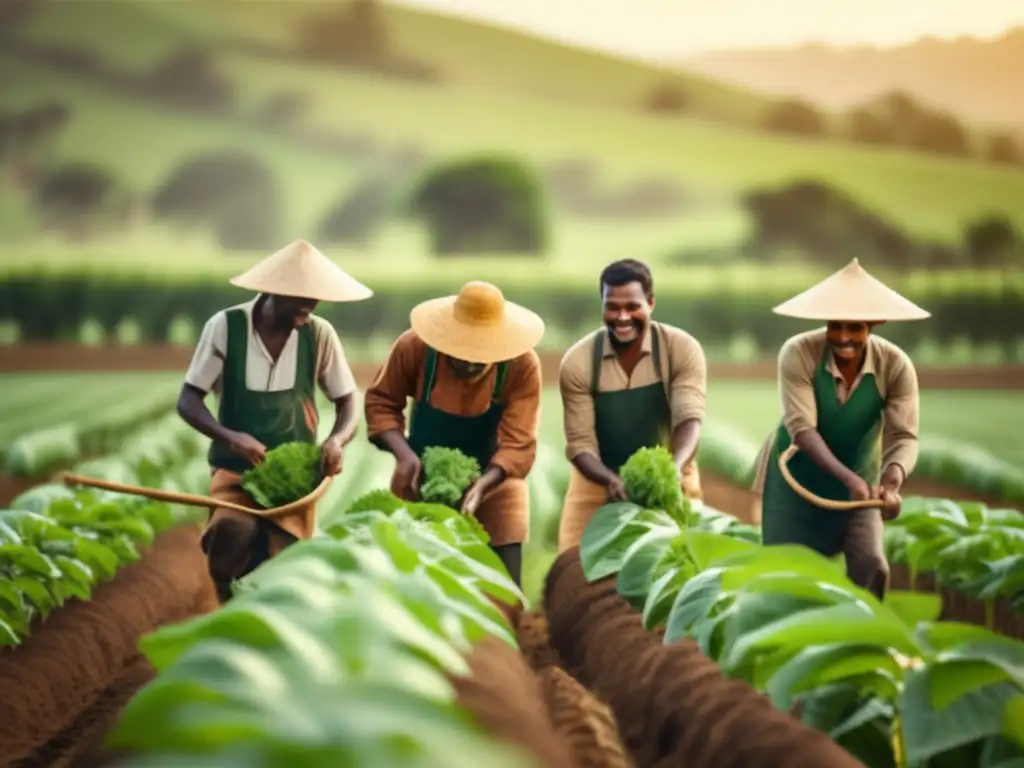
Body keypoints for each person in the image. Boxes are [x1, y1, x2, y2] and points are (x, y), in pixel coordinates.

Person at [177, 239, 372, 603]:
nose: (310, 307)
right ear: (273, 292)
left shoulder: (319, 334)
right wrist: (231, 437)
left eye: (315, 298)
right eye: (302, 298)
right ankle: (228, 603)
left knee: (287, 560)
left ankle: (267, 616)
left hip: (293, 484)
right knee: (231, 533)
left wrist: (335, 440)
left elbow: (348, 400)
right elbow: (188, 400)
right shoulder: (225, 328)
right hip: (234, 472)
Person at [752, 258, 930, 600]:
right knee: (784, 578)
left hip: (861, 478)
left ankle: (865, 643)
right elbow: (802, 429)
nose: (844, 337)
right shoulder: (798, 353)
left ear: (874, 324)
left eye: (855, 328)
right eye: (836, 326)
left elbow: (903, 437)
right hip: (797, 483)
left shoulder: (895, 366)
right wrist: (849, 480)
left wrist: (891, 483)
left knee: (872, 565)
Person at [363, 281, 544, 587]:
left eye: (478, 356)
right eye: (458, 352)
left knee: (505, 589)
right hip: (420, 481)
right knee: (404, 581)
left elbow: (518, 444)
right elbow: (381, 403)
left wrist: (481, 486)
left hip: (495, 485)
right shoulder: (415, 348)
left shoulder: (521, 366)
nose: (467, 362)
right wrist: (405, 456)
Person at [557, 258, 708, 553]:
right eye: (612, 307)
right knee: (574, 570)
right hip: (596, 482)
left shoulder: (680, 349)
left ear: (650, 303)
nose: (622, 317)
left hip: (670, 480)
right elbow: (580, 444)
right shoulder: (578, 362)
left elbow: (689, 419)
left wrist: (673, 468)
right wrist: (611, 480)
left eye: (632, 306)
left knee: (684, 566)